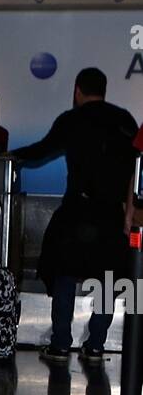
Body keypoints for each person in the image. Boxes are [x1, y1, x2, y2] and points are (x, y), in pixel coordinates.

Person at [12, 67, 138, 362]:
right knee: (108, 279)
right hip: (111, 214)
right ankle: (95, 344)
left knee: (63, 273)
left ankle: (60, 343)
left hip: (77, 211)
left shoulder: (71, 120)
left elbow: (41, 149)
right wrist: (128, 214)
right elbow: (136, 165)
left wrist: (10, 155)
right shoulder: (124, 121)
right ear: (104, 90)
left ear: (77, 91)